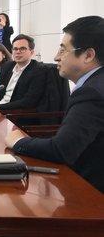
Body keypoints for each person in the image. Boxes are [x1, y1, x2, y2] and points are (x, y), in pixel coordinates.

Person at [5, 16, 104, 193]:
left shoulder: (92, 93)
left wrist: (19, 141)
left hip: (90, 196)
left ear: (88, 55)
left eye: (63, 50)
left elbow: (61, 150)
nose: (56, 57)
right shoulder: (96, 85)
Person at [0, 34, 46, 111]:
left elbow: (28, 102)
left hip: (14, 114)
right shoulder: (7, 67)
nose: (18, 52)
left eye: (22, 49)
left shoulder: (38, 70)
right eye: (15, 49)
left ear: (31, 52)